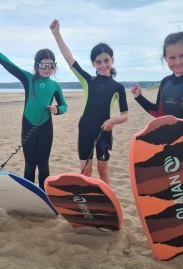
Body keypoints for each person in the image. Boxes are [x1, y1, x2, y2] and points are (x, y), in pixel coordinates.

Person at [0, 33, 67, 190]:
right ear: (37, 65)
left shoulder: (55, 86)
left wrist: (57, 110)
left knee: (43, 165)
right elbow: (7, 63)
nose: (47, 69)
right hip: (28, 125)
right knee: (30, 164)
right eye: (43, 65)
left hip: (46, 128)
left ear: (54, 66)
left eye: (51, 65)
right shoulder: (28, 78)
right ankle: (29, 194)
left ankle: (44, 195)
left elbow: (64, 105)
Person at [50, 19, 128, 185]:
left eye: (106, 60)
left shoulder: (118, 87)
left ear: (112, 60)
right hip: (85, 128)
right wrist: (57, 34)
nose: (103, 65)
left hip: (104, 131)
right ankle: (89, 200)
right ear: (93, 64)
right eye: (98, 62)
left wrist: (112, 121)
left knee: (103, 170)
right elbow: (69, 58)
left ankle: (108, 201)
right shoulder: (88, 80)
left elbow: (125, 115)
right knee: (86, 170)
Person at [131, 31, 183, 136]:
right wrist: (139, 97)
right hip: (167, 140)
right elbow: (157, 112)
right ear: (165, 58)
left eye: (182, 55)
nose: (177, 62)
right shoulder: (165, 82)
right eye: (172, 57)